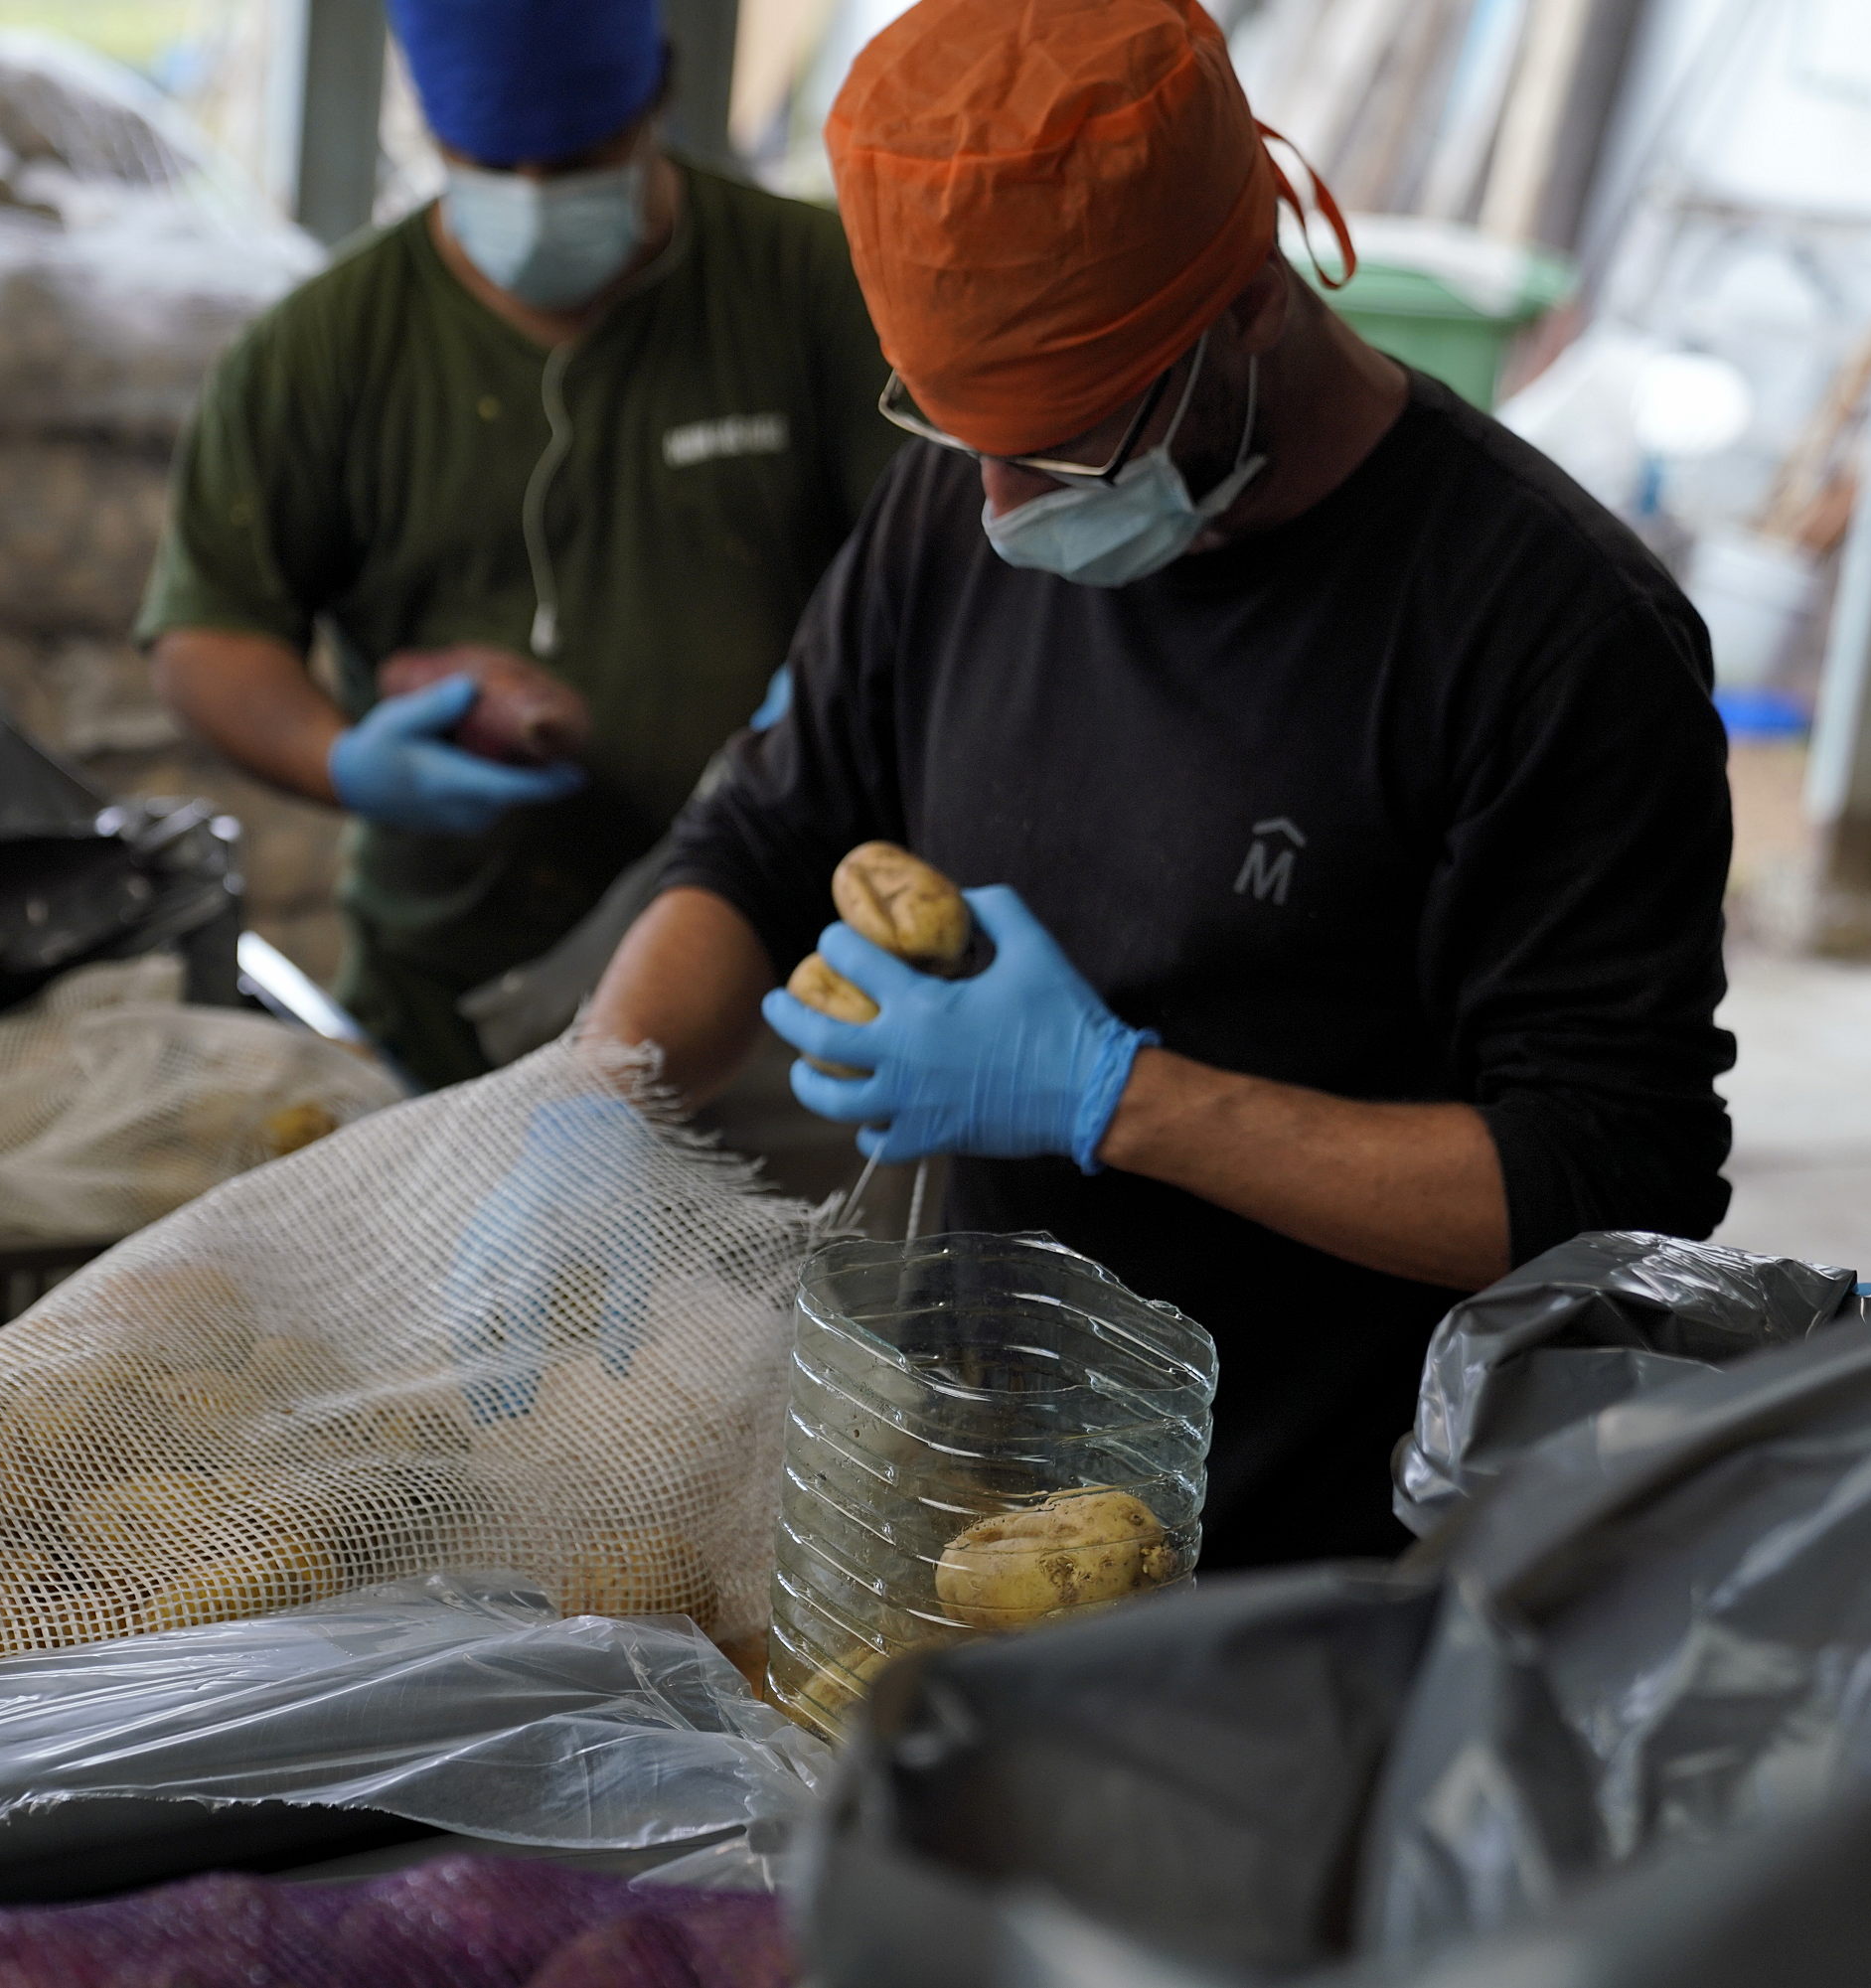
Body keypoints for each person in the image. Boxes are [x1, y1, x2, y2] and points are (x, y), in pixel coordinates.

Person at [577, 0, 1738, 1567]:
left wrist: (1115, 1097)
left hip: (1335, 1558)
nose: (997, 507)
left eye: (1062, 445)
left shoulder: (1549, 640)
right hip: (976, 1490)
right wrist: (595, 1101)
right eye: (958, 431)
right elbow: (772, 831)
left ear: (1252, 302)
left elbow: (1606, 1181)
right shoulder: (952, 510)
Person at [136, 0, 901, 1088]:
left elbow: (942, 573)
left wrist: (818, 722)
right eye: (496, 164)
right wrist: (345, 761)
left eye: (579, 162)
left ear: (658, 95)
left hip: (782, 970)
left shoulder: (811, 284)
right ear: (435, 133)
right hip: (449, 984)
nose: (538, 201)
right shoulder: (321, 351)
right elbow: (207, 631)